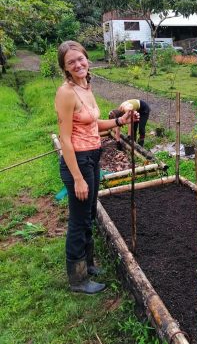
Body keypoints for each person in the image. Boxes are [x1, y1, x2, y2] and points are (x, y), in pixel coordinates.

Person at [55, 41, 138, 294]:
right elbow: (65, 138)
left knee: (89, 213)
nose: (78, 64)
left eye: (80, 59)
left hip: (92, 156)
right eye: (71, 62)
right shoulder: (66, 93)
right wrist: (78, 178)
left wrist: (119, 121)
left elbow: (92, 125)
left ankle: (88, 265)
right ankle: (77, 279)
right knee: (79, 221)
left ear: (86, 59)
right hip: (77, 162)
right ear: (65, 68)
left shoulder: (86, 87)